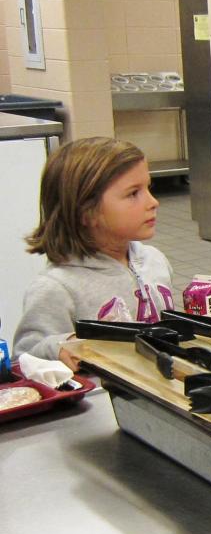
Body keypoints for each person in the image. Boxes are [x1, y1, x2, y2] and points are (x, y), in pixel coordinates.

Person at [13, 137, 175, 368]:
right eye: (133, 194)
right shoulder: (56, 288)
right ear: (86, 212)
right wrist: (58, 348)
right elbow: (23, 359)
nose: (153, 202)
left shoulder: (154, 260)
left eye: (149, 188)